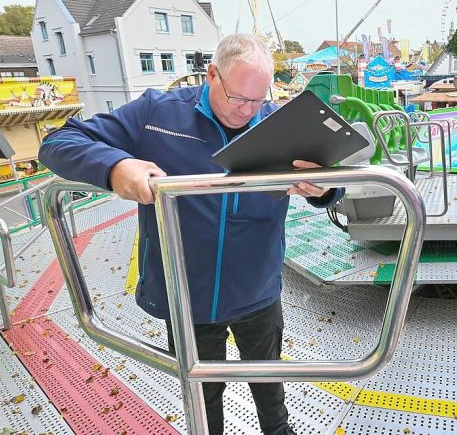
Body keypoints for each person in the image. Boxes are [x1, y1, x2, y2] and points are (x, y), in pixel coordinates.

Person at [39, 34, 343, 435]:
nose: (247, 111)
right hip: (187, 292)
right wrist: (115, 166)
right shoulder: (156, 113)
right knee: (202, 393)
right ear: (211, 74)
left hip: (257, 287)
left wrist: (326, 188)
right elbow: (58, 141)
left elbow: (333, 181)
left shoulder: (277, 123)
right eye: (238, 98)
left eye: (257, 100)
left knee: (269, 382)